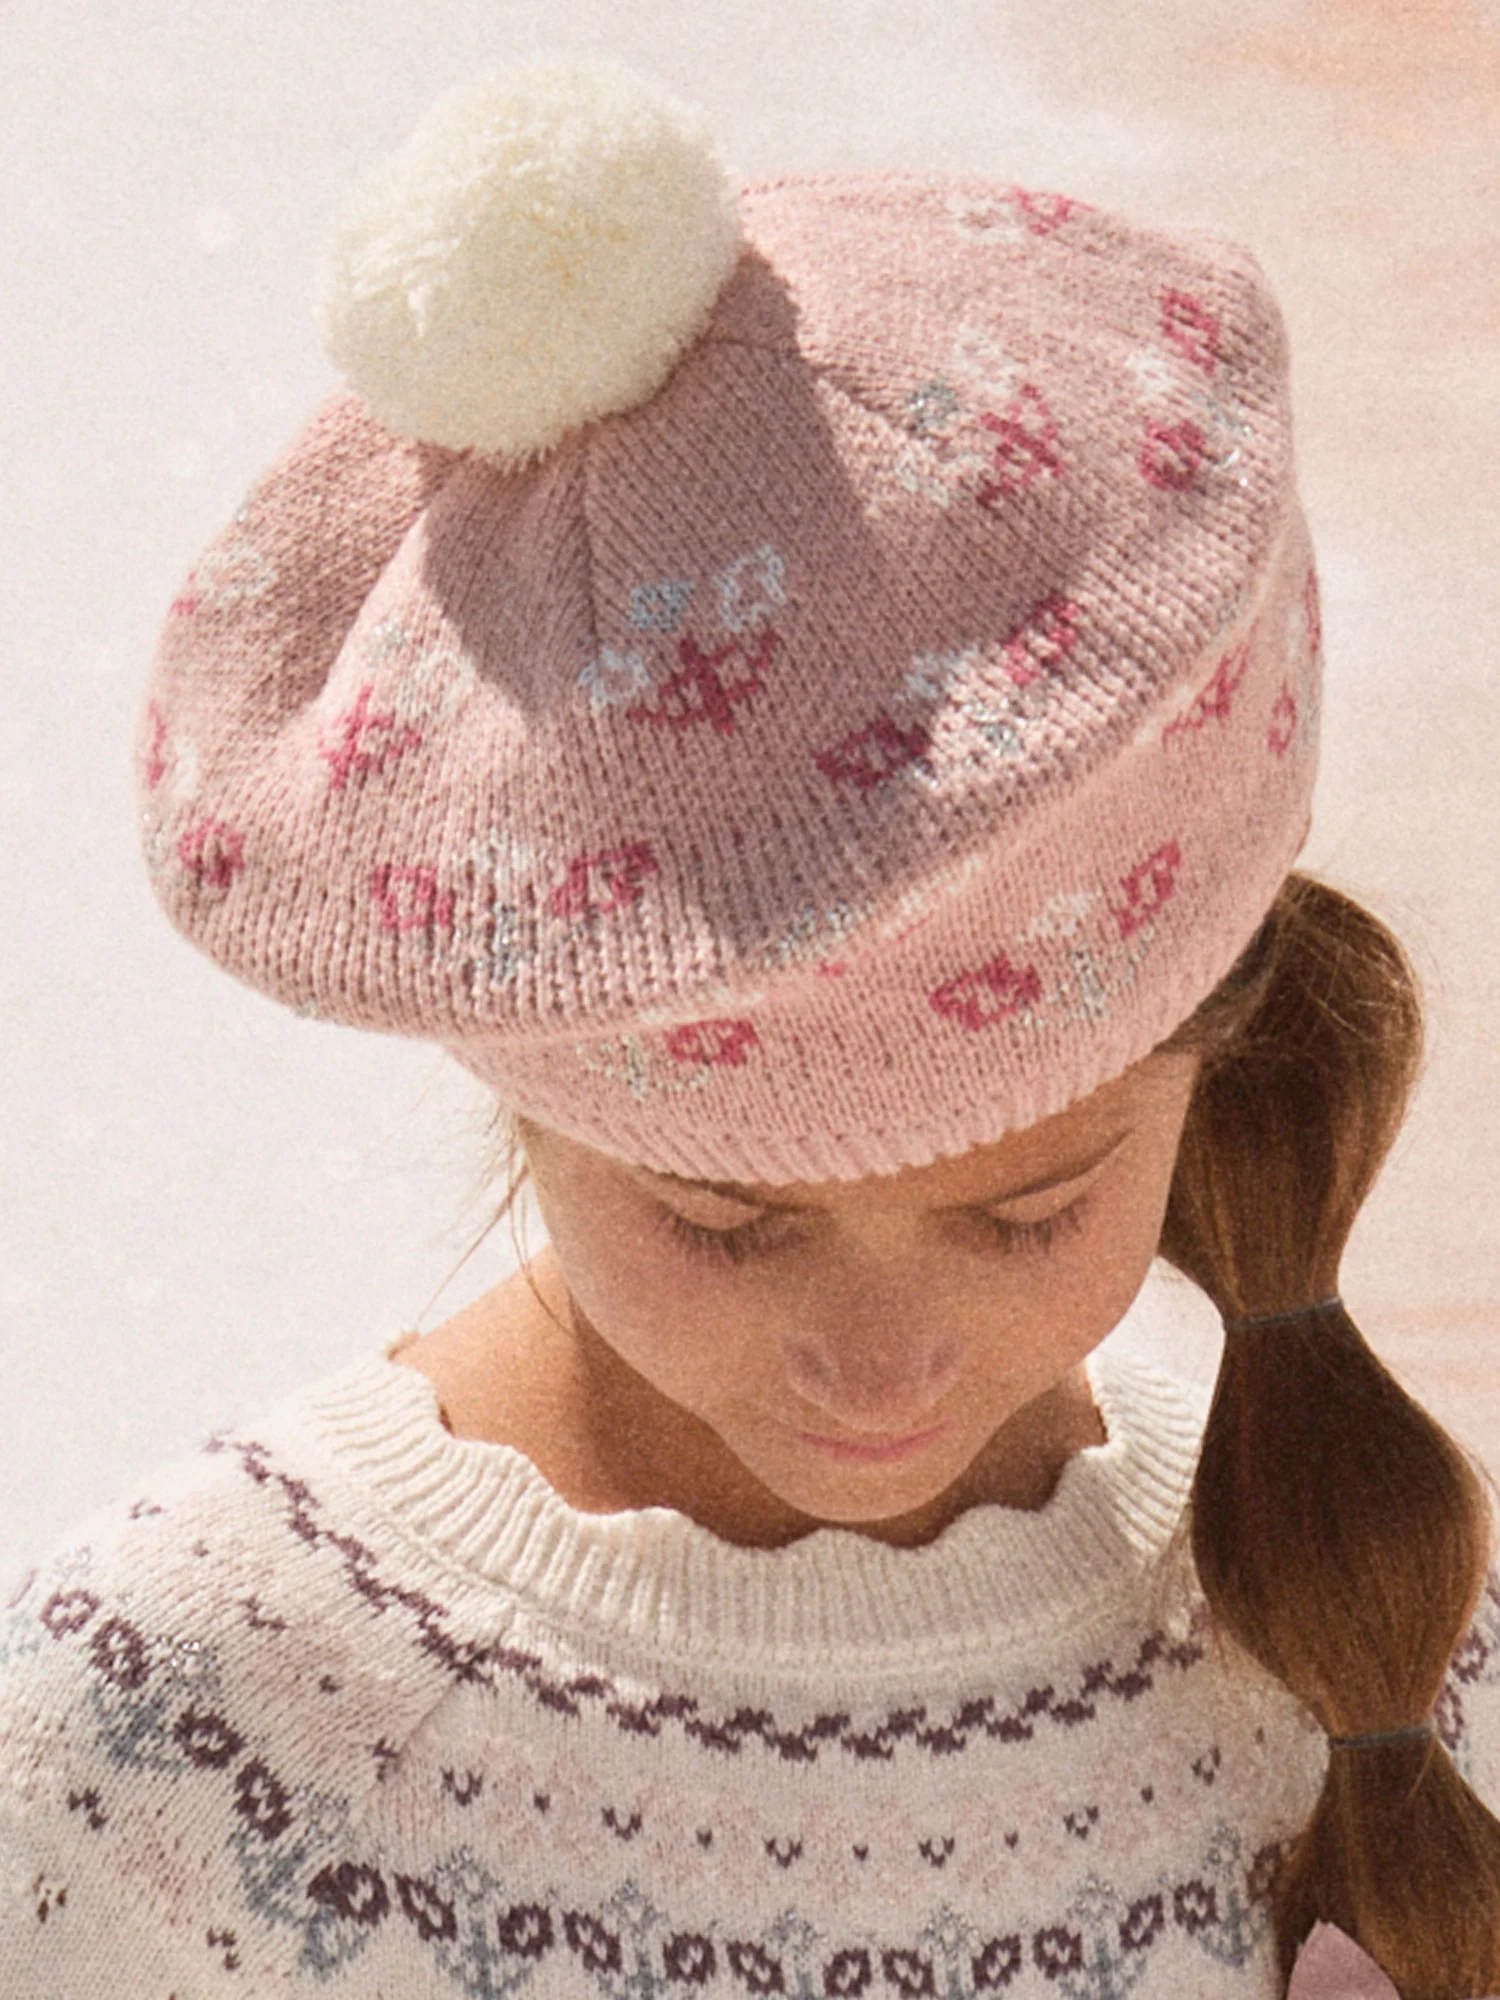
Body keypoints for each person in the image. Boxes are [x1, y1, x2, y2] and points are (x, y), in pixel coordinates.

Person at [2, 53, 1498, 2000]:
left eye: (1028, 1212)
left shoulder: (1382, 1650)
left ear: (1215, 1061)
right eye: (727, 1224)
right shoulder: (166, 1747)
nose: (879, 1367)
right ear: (530, 1099)